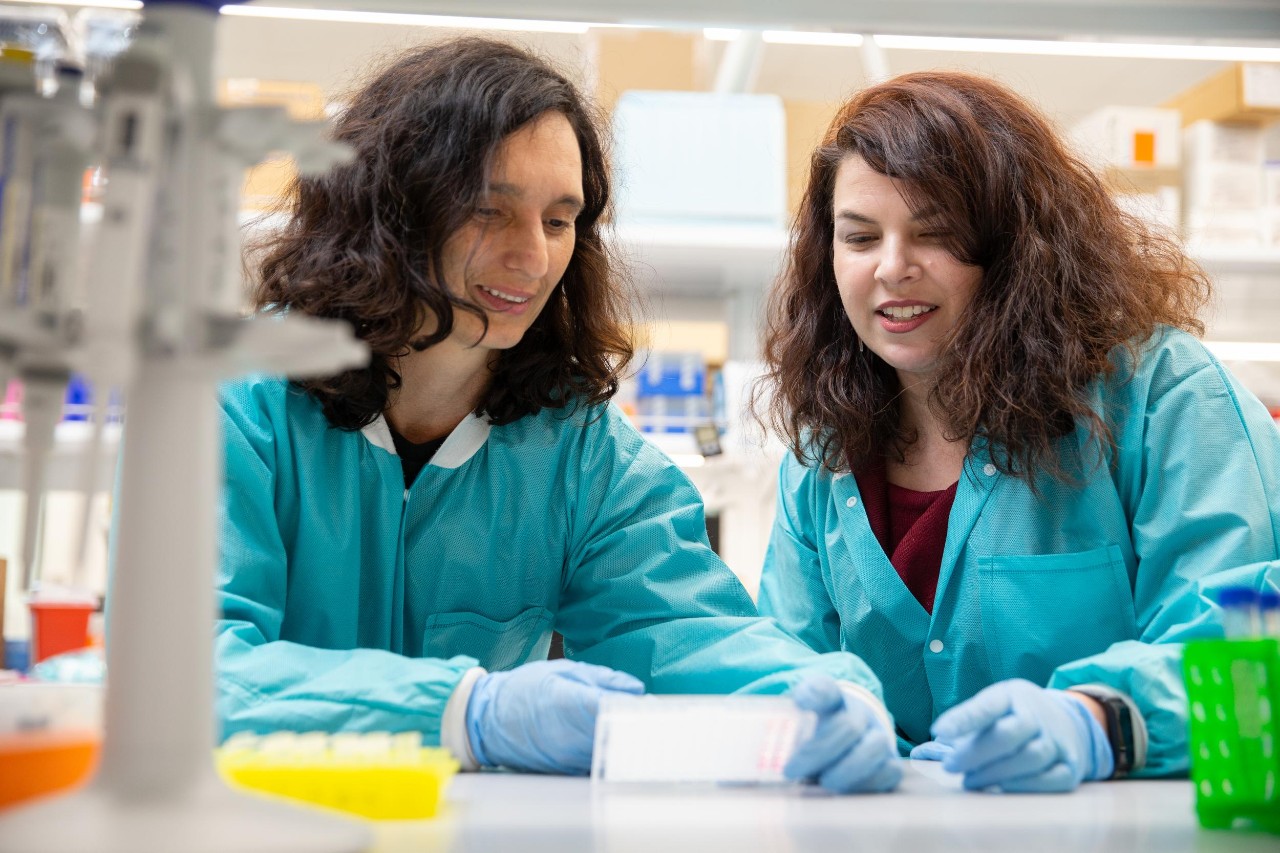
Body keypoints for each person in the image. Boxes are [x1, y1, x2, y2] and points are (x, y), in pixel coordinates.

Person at [215, 37, 900, 793]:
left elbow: (688, 632)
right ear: (392, 209)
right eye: (489, 210)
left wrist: (833, 695)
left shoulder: (578, 453)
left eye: (558, 220)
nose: (533, 258)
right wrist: (465, 709)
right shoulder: (242, 404)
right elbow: (186, 665)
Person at [754, 70, 1280, 793]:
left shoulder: (1160, 397)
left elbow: (1243, 640)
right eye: (861, 236)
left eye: (935, 232)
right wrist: (813, 716)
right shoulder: (824, 458)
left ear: (1014, 245)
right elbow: (781, 660)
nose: (893, 267)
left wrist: (1098, 719)